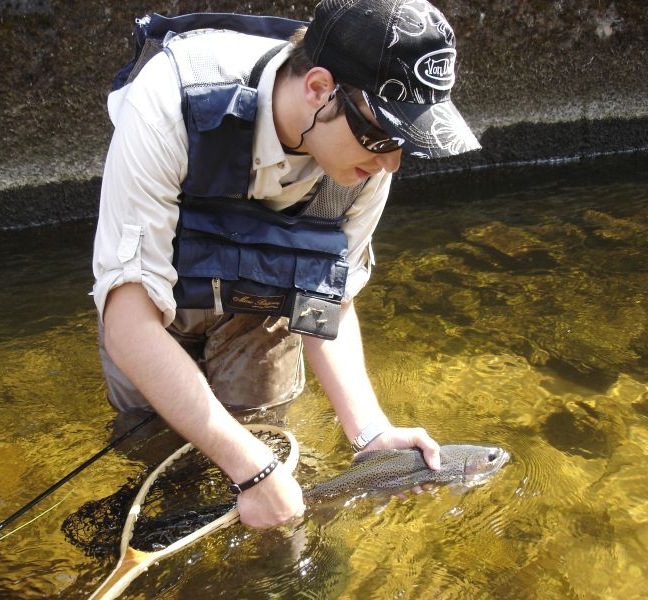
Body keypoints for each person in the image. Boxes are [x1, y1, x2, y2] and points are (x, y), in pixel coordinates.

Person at [92, 0, 480, 529]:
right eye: (384, 136)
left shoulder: (367, 163)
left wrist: (369, 433)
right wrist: (249, 469)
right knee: (159, 454)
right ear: (319, 89)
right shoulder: (170, 100)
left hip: (267, 304)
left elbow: (329, 299)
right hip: (164, 305)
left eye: (406, 143)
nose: (391, 162)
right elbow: (128, 324)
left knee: (266, 447)